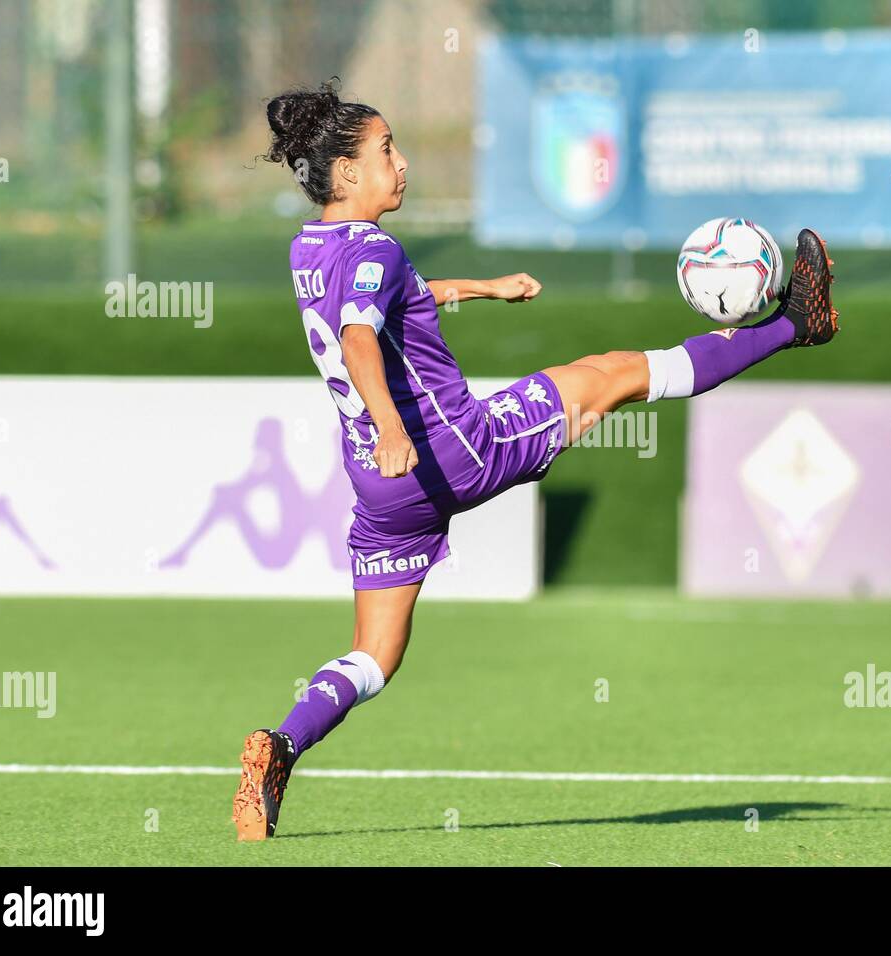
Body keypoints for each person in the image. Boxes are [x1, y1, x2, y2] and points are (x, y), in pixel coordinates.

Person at [232, 81, 838, 840]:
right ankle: (796, 325)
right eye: (386, 150)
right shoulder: (377, 249)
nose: (403, 162)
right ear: (347, 173)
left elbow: (394, 300)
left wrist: (485, 288)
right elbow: (360, 339)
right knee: (616, 372)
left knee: (374, 656)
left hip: (384, 493)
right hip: (453, 450)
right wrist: (393, 426)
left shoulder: (310, 248)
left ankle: (281, 745)